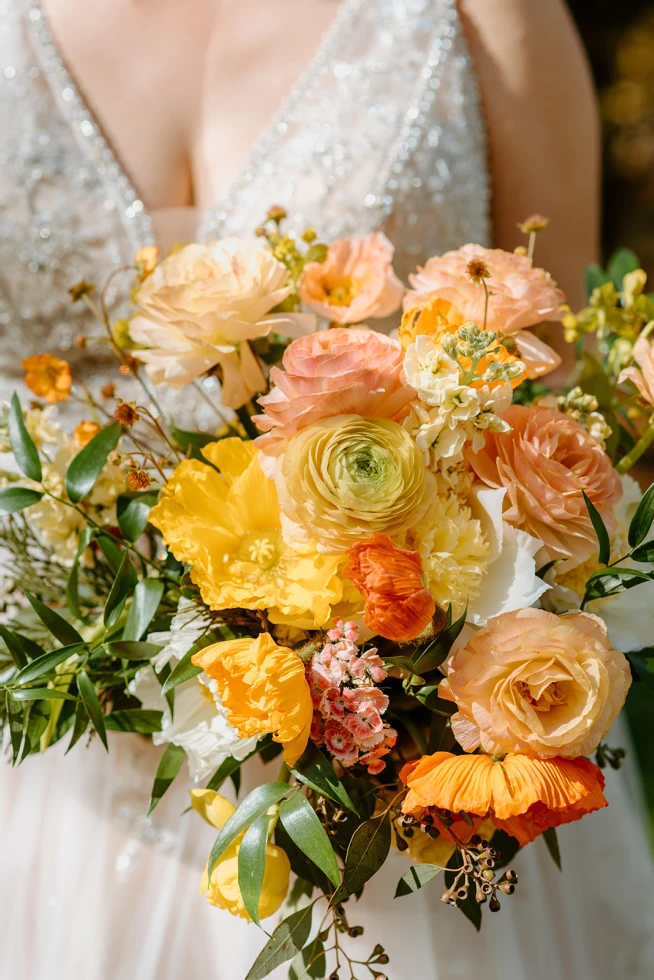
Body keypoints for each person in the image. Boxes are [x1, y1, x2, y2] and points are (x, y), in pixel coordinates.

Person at [1, 1, 652, 978]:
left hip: (397, 756)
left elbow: (563, 414)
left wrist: (436, 664)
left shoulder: (487, 15)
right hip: (43, 720)